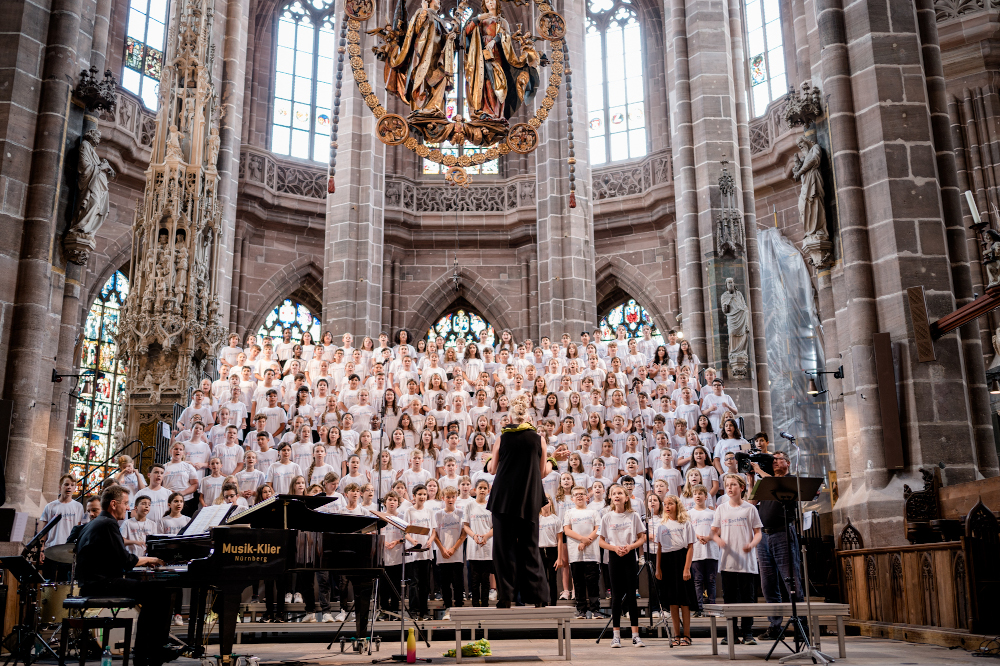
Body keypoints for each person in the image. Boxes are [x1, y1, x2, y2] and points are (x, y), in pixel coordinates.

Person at [75, 485, 168, 666]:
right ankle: (147, 654)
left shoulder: (92, 524)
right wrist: (149, 559)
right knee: (159, 592)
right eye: (125, 503)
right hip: (102, 584)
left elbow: (114, 559)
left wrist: (141, 561)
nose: (127, 508)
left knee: (154, 592)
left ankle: (148, 651)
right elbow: (125, 561)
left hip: (90, 583)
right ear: (113, 504)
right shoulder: (109, 524)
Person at [486, 394, 549, 607]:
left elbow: (492, 469)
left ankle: (505, 598)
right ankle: (539, 598)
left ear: (511, 416)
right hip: (528, 499)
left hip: (503, 499)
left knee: (503, 550)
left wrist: (491, 459)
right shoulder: (539, 439)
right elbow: (541, 473)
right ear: (528, 417)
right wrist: (554, 461)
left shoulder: (502, 438)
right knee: (531, 549)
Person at [754, 450, 806, 641]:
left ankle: (801, 626)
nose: (775, 462)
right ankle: (775, 626)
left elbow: (776, 485)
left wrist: (760, 470)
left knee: (790, 580)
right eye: (773, 460)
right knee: (768, 584)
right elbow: (751, 501)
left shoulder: (790, 480)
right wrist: (753, 477)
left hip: (782, 533)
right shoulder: (764, 481)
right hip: (764, 537)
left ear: (788, 463)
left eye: (779, 459)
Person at [711, 473, 763, 646]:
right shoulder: (721, 508)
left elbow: (758, 533)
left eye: (733, 484)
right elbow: (714, 531)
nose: (730, 488)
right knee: (730, 599)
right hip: (728, 561)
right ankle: (731, 633)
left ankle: (748, 633)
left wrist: (751, 544)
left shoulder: (750, 508)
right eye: (727, 485)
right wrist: (718, 540)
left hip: (747, 561)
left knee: (748, 599)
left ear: (741, 488)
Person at [598, 483, 646, 648]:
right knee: (616, 597)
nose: (617, 495)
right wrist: (615, 548)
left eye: (620, 493)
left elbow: (642, 538)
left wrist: (630, 547)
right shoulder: (607, 517)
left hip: (629, 555)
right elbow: (601, 540)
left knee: (632, 596)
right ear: (610, 497)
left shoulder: (633, 516)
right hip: (614, 555)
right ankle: (616, 635)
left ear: (626, 497)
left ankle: (635, 635)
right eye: (614, 493)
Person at [656, 495, 697, 646]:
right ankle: (676, 634)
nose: (667, 507)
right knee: (673, 601)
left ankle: (687, 634)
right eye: (665, 504)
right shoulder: (662, 525)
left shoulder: (685, 523)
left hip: (681, 559)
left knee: (684, 601)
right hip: (667, 562)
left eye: (670, 504)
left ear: (677, 505)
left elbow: (690, 546)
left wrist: (687, 568)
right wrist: (658, 568)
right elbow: (659, 547)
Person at [563, 485, 601, 619]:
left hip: (592, 552)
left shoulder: (594, 512)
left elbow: (599, 529)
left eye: (582, 494)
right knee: (578, 583)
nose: (579, 496)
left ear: (587, 497)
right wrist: (581, 539)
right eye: (576, 494)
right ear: (572, 498)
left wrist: (586, 541)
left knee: (593, 582)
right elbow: (567, 530)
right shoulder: (569, 512)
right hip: (575, 554)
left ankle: (595, 610)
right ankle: (581, 610)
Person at [39, 474, 84, 581]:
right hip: (51, 549)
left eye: (72, 485)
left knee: (64, 582)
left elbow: (78, 528)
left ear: (74, 488)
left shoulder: (78, 507)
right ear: (60, 486)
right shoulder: (50, 506)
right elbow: (44, 531)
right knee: (48, 581)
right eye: (66, 484)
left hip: (67, 551)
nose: (69, 487)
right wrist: (41, 549)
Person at [432, 486, 466, 620]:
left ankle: (459, 609)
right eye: (448, 497)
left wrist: (453, 548)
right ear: (443, 498)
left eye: (453, 497)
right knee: (445, 585)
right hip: (443, 555)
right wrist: (442, 549)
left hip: (456, 555)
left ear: (456, 498)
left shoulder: (460, 513)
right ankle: (448, 609)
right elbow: (434, 534)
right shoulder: (438, 514)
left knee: (458, 584)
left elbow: (463, 534)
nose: (450, 499)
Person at [689, 484, 718, 617]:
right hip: (696, 552)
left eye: (700, 494)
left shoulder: (712, 513)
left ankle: (711, 608)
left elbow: (718, 530)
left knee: (711, 580)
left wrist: (708, 537)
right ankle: (698, 608)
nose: (698, 496)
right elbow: (687, 531)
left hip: (711, 551)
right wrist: (697, 536)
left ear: (706, 496)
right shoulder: (689, 514)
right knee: (697, 580)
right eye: (695, 494)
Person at [463, 479, 494, 607]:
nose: (482, 490)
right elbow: (465, 526)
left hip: (487, 546)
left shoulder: (491, 505)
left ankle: (485, 605)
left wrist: (486, 536)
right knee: (475, 580)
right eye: (480, 488)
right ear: (475, 490)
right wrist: (474, 536)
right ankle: (475, 606)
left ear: (488, 490)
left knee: (485, 580)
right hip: (473, 547)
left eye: (484, 488)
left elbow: (495, 526)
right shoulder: (469, 505)